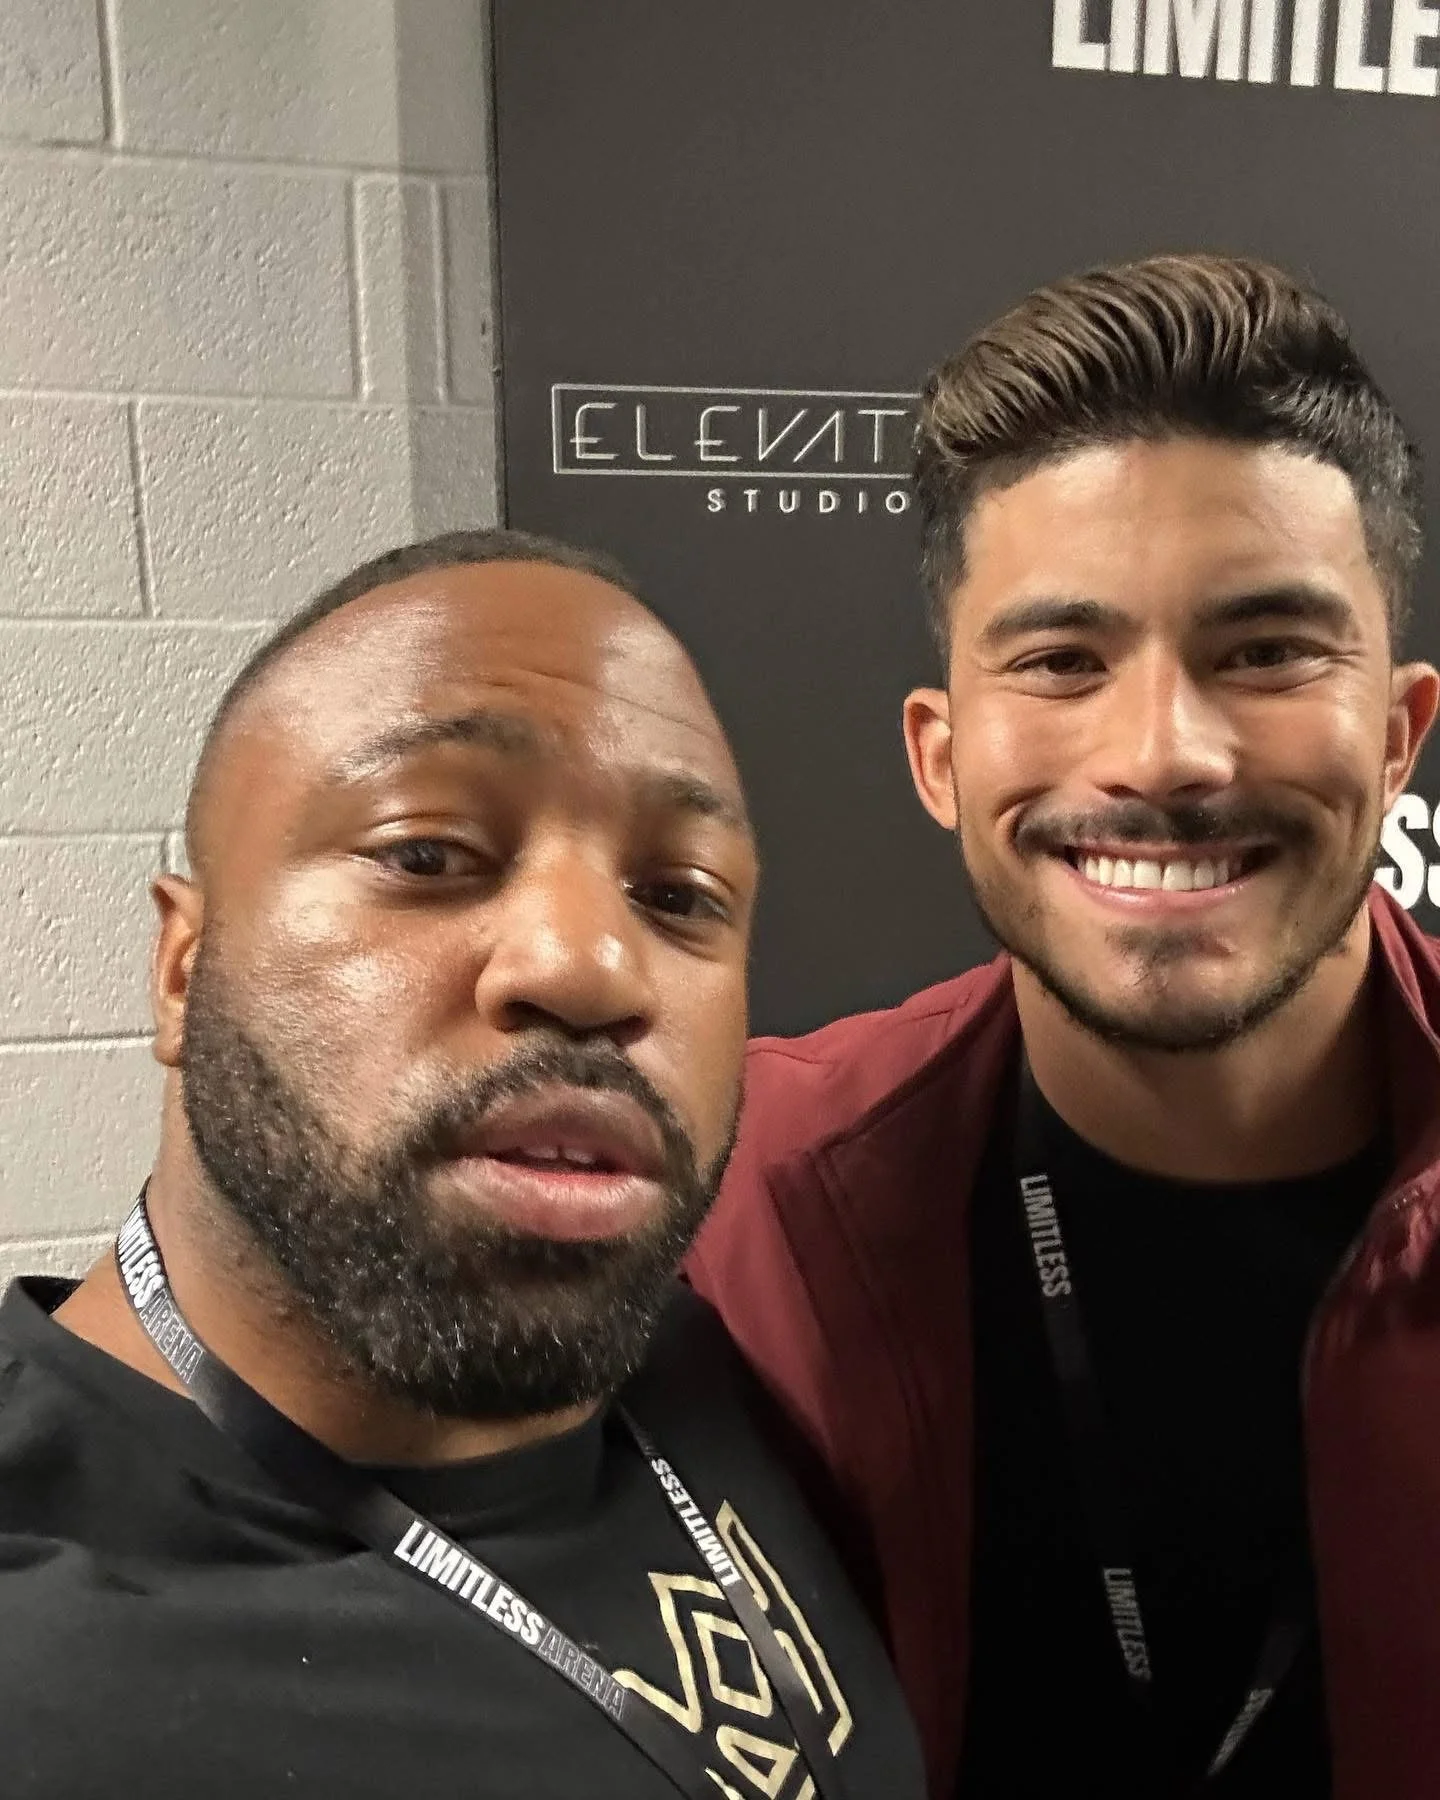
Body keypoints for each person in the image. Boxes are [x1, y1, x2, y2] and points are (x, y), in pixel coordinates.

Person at [0, 529, 926, 1800]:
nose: (595, 968)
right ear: (182, 968)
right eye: (427, 855)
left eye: (678, 894)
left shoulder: (701, 1367)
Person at [688, 255, 1440, 1800]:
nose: (1162, 750)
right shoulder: (741, 1191)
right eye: (1061, 663)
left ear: (1399, 731)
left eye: (1266, 651)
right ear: (940, 755)